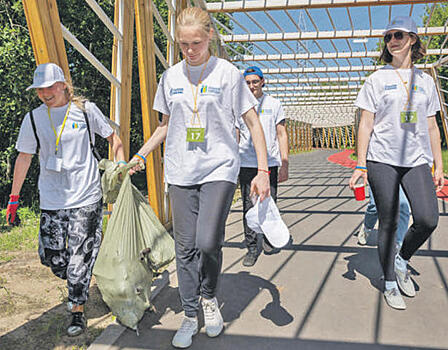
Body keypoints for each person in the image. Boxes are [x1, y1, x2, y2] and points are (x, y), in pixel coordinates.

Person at [129, 7, 270, 349]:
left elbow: (253, 123)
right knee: (185, 245)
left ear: (210, 37)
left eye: (196, 42)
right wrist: (141, 154)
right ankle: (191, 314)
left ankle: (209, 297)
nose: (190, 50)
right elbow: (164, 126)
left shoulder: (228, 74)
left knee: (207, 241)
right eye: (183, 45)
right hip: (180, 170)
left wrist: (263, 171)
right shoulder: (171, 78)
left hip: (219, 168)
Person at [5, 63, 126, 336]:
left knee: (77, 259)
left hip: (86, 195)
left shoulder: (85, 111)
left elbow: (113, 138)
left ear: (62, 85)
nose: (45, 93)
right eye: (40, 89)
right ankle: (80, 275)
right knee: (52, 257)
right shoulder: (33, 119)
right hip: (51, 198)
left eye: (49, 87)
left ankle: (77, 311)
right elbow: (24, 157)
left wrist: (120, 167)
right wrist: (14, 198)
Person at [349, 16, 444, 310]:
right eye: (389, 36)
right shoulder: (377, 79)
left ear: (413, 39)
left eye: (399, 35)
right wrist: (361, 164)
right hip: (382, 160)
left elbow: (432, 126)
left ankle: (402, 259)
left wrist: (438, 165)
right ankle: (389, 280)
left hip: (416, 160)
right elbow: (365, 124)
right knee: (389, 221)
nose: (393, 40)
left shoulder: (426, 81)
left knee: (428, 219)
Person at [236, 66, 289, 266]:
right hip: (246, 163)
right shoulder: (239, 106)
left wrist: (284, 163)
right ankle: (251, 247)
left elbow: (281, 134)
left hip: (269, 163)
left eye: (255, 82)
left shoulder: (274, 104)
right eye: (247, 83)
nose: (251, 86)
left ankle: (268, 238)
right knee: (248, 205)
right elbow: (236, 135)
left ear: (263, 81)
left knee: (269, 203)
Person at [358, 186, 410, 250]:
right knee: (374, 207)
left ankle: (399, 245)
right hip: (378, 176)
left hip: (400, 178)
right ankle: (367, 227)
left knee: (403, 206)